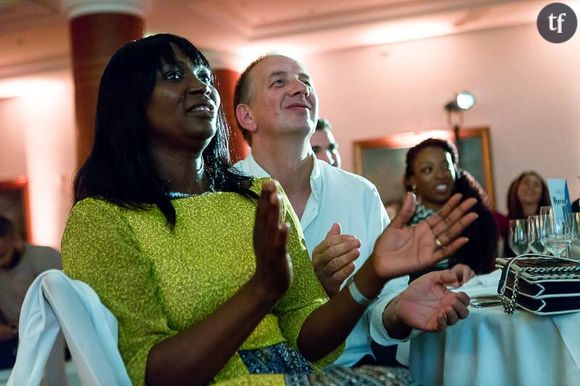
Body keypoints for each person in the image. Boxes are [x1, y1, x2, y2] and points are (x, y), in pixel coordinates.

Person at [61, 35, 477, 386]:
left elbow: (306, 337)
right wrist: (263, 288)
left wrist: (371, 274)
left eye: (205, 77)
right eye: (175, 76)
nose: (201, 87)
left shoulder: (256, 196)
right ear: (130, 103)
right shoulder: (103, 219)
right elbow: (144, 372)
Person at [233, 54, 478, 368]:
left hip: (352, 369)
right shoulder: (223, 195)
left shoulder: (360, 193)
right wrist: (310, 282)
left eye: (305, 81)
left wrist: (400, 309)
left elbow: (385, 304)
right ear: (247, 116)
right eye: (279, 81)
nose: (299, 88)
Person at [403, 138, 497, 278]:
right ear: (412, 180)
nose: (440, 175)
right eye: (428, 169)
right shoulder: (406, 229)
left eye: (445, 166)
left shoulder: (476, 217)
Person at [0, 215, 66, 384]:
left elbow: (58, 311)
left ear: (14, 238)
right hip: (15, 344)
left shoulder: (45, 258)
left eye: (1, 254)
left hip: (52, 337)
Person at [504, 171, 550, 256]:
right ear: (516, 188)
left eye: (536, 185)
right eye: (526, 183)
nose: (530, 187)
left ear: (542, 192)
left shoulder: (549, 223)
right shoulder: (505, 224)